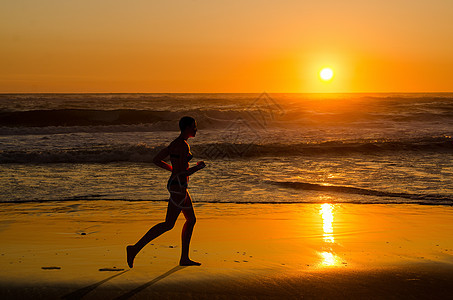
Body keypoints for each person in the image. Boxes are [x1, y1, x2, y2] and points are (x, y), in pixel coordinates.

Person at [126, 116, 206, 267]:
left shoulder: (174, 144)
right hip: (179, 188)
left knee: (191, 220)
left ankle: (184, 258)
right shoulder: (183, 146)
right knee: (168, 224)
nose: (196, 129)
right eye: (194, 127)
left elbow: (156, 159)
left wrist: (172, 170)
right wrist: (198, 167)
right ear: (187, 128)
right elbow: (184, 173)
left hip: (177, 185)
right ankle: (134, 249)